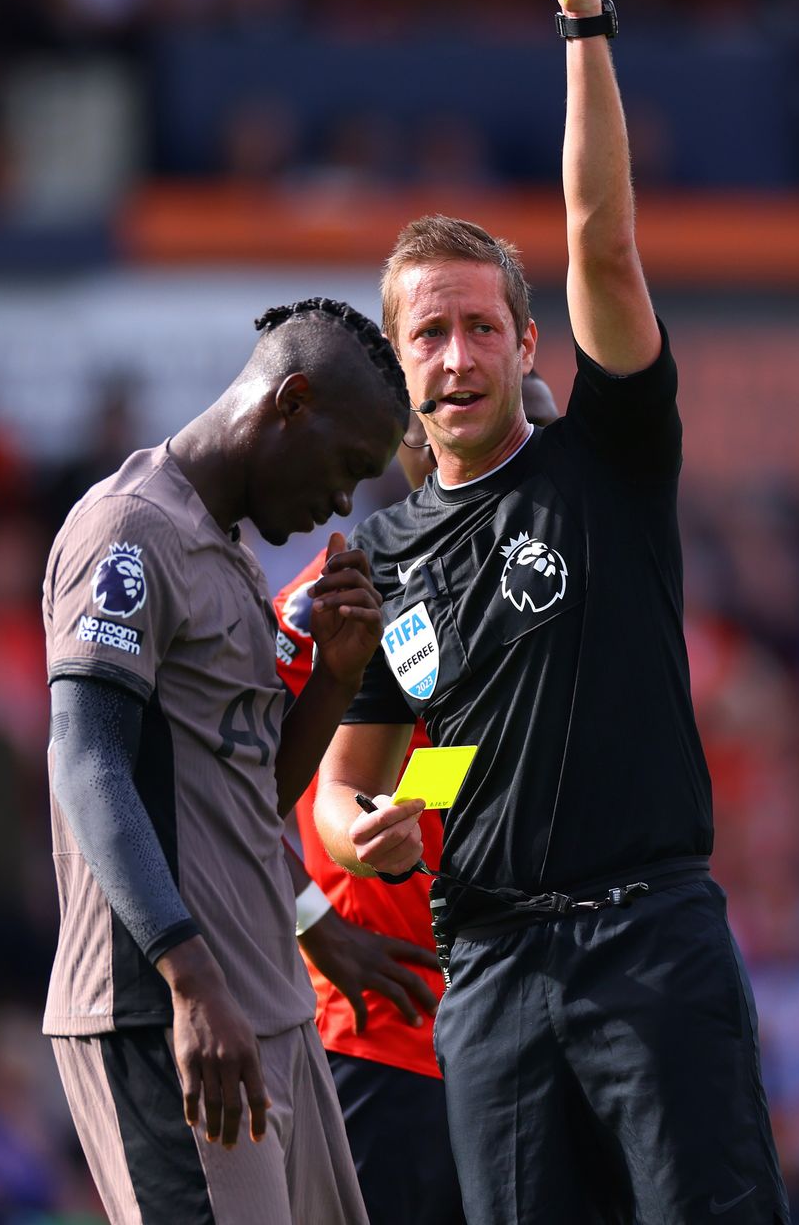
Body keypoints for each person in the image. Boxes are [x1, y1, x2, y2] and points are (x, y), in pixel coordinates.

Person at [313, 0, 791, 1225]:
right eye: (428, 337)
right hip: (492, 973)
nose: (456, 355)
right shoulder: (383, 556)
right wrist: (373, 831)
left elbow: (604, 239)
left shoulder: (608, 460)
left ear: (529, 346)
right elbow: (350, 784)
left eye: (481, 328)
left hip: (650, 941)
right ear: (399, 367)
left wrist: (583, 13)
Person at [41, 297, 408, 1225]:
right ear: (292, 402)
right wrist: (190, 980)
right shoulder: (127, 531)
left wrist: (335, 680)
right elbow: (87, 761)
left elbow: (243, 798)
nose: (341, 500)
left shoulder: (231, 558)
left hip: (266, 1005)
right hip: (170, 1010)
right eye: (346, 468)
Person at [276, 373, 558, 1225]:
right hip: (380, 1032)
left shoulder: (553, 601)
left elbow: (451, 772)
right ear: (419, 448)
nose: (533, 460)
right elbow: (210, 790)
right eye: (512, 430)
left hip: (522, 1034)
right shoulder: (330, 598)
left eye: (546, 436)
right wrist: (308, 919)